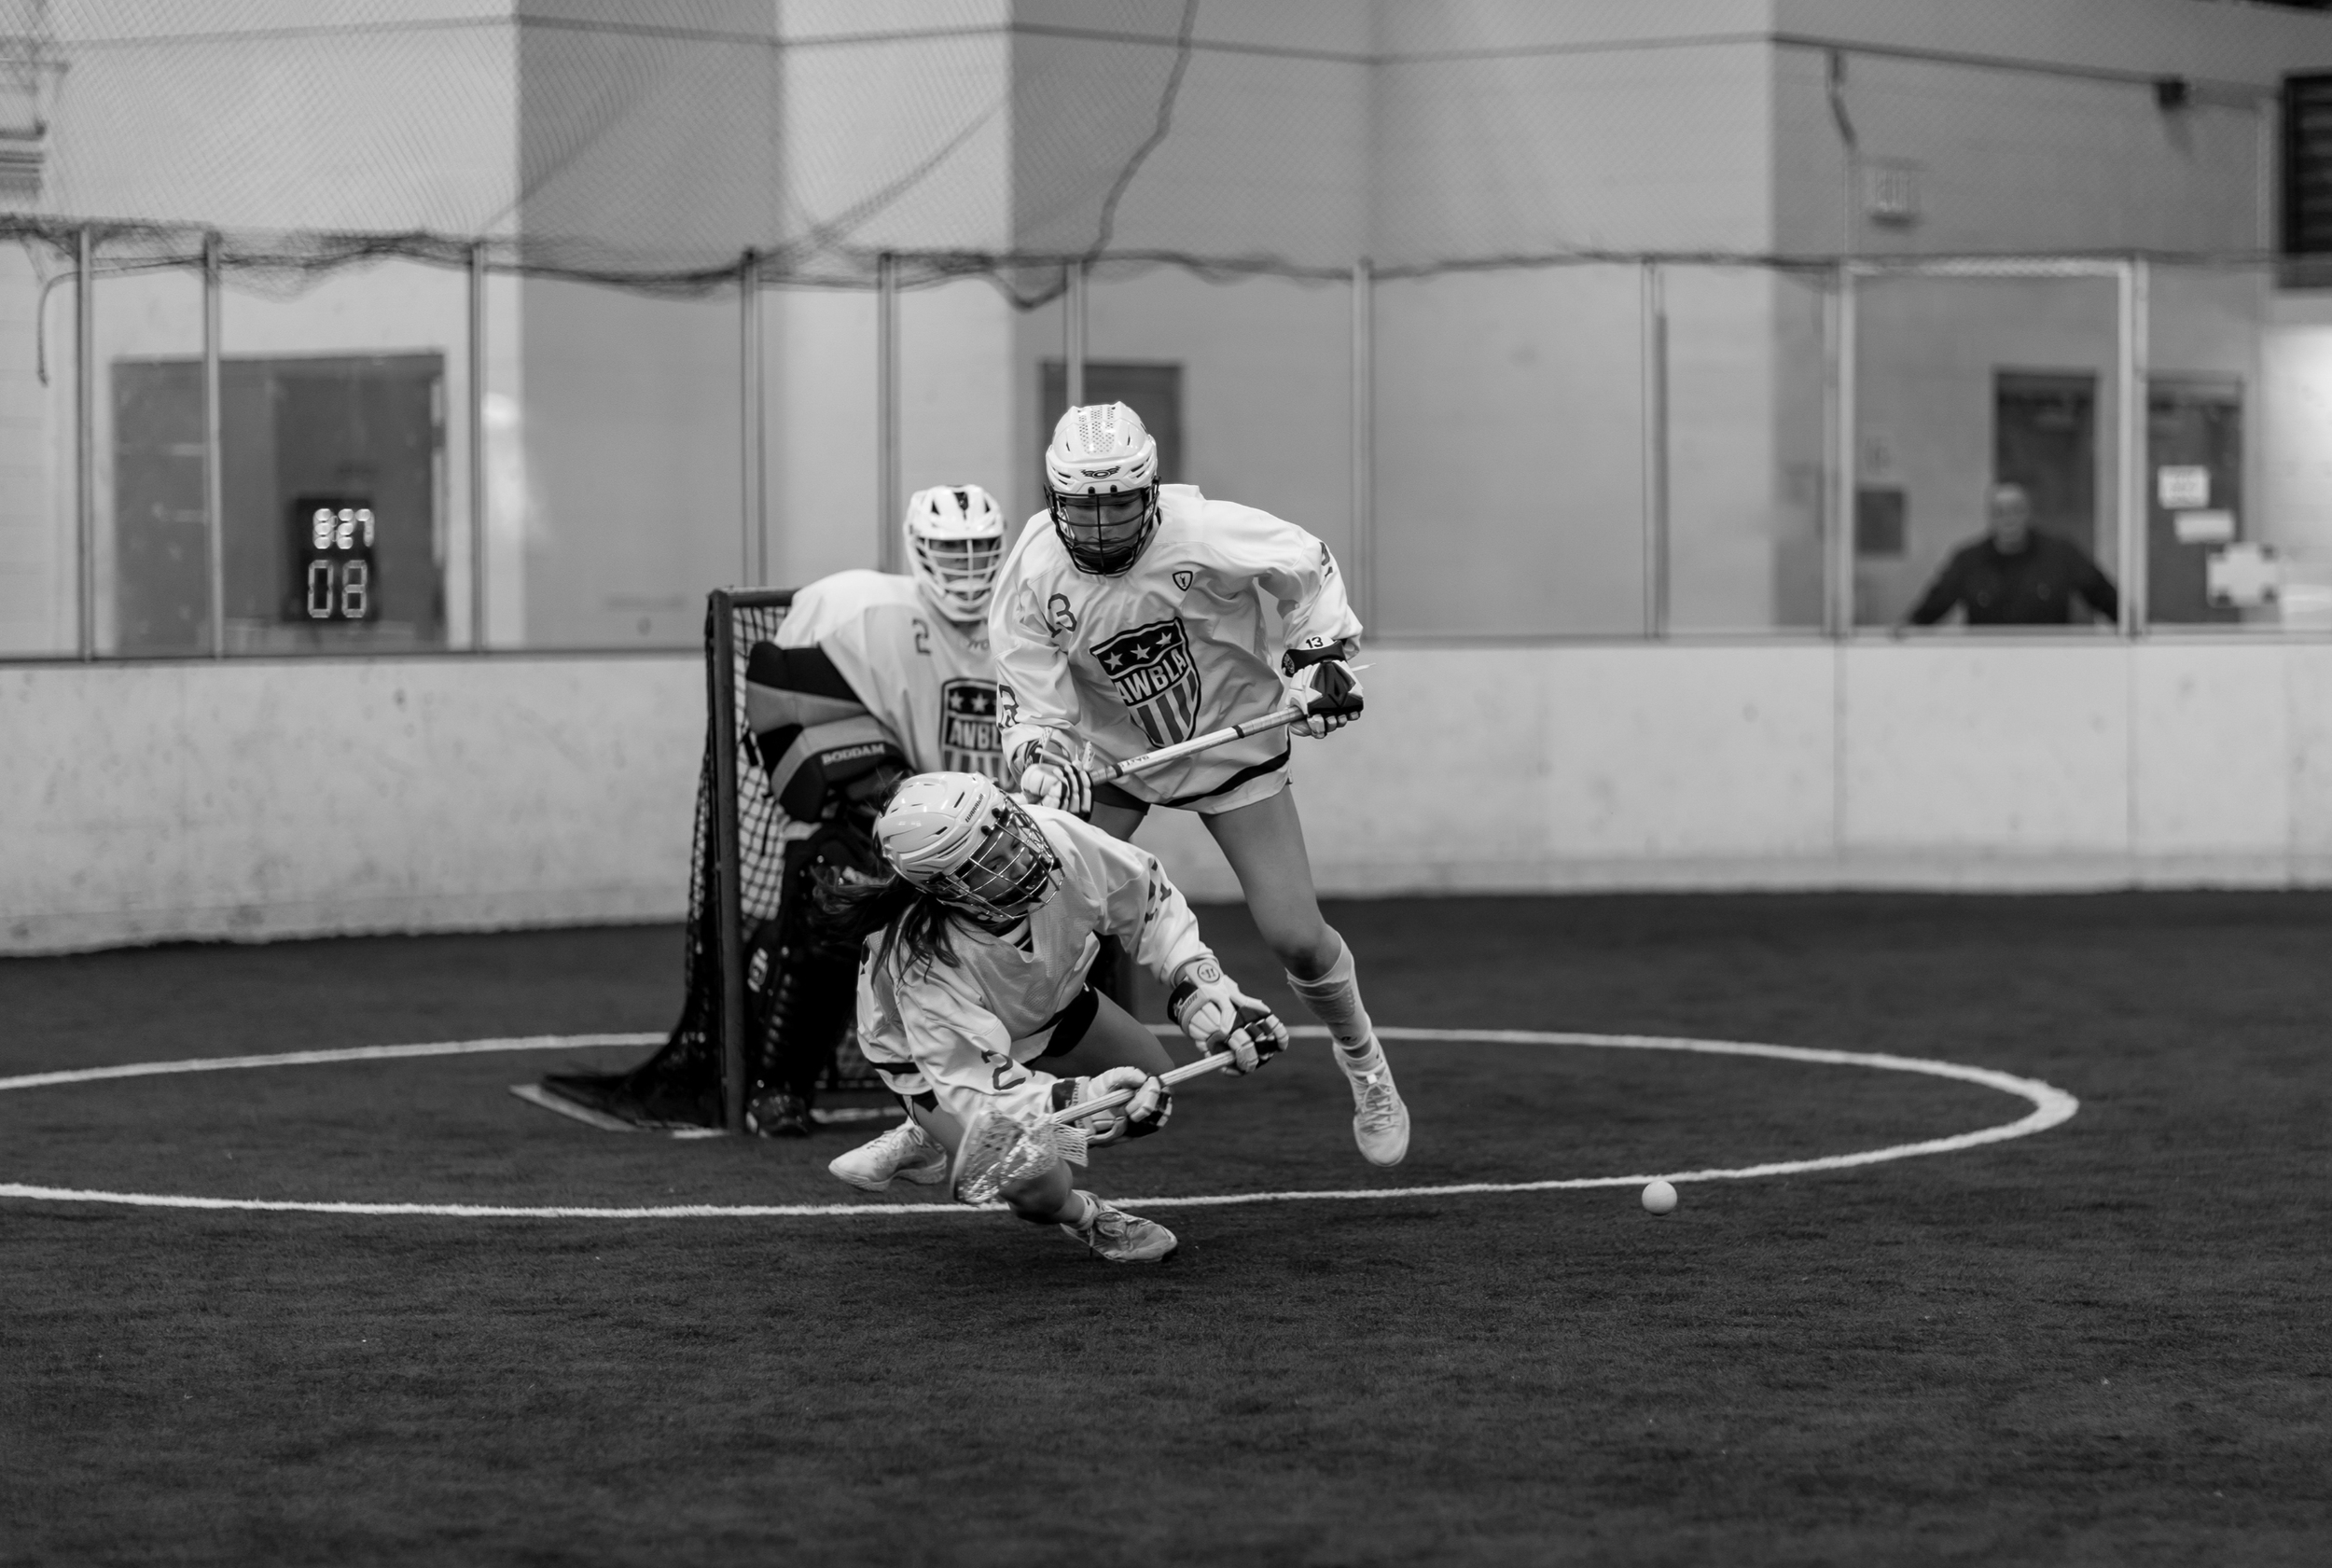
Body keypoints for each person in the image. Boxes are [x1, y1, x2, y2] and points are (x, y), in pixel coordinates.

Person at [994, 401, 1409, 1169]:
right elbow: (1030, 701)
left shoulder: (1203, 529)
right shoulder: (1032, 569)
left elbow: (1307, 566)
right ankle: (975, 1094)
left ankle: (1366, 1065)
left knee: (1297, 938)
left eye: (1118, 502)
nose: (1101, 524)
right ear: (1053, 498)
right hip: (1116, 759)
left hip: (1233, 745)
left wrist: (1317, 657)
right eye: (1082, 506)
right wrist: (1041, 759)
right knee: (1025, 914)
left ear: (1149, 490)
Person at [826, 771, 1287, 1264]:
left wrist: (1204, 993)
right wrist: (1082, 1097)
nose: (1022, 857)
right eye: (992, 864)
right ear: (946, 888)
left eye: (1010, 835)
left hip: (1048, 1002)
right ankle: (1083, 1215)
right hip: (936, 1065)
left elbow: (1148, 900)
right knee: (1039, 1189)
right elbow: (979, 1085)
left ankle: (935, 1133)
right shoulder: (920, 960)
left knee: (1150, 1093)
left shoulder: (1056, 836)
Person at [735, 485, 1009, 1136]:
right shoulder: (853, 609)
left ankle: (998, 1070)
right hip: (892, 823)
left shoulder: (1027, 616)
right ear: (918, 549)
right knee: (829, 888)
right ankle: (778, 1083)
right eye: (951, 551)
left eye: (979, 552)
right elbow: (781, 713)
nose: (967, 568)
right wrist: (869, 788)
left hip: (998, 830)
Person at [1900, 482, 2120, 630]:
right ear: (1990, 517)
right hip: (1984, 668)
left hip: (2049, 666)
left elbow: (2104, 596)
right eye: (2000, 512)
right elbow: (1932, 608)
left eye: (2016, 510)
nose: (2009, 519)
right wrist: (1900, 636)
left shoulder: (2060, 554)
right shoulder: (1968, 560)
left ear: (2028, 513)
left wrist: (2138, 633)